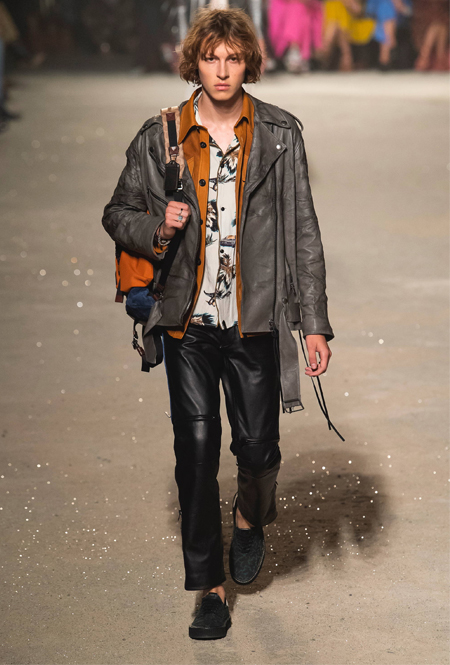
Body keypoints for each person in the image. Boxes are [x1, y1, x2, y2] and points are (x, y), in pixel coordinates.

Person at [102, 7, 334, 640]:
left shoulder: (281, 133)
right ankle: (208, 589)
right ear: (194, 64)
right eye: (211, 59)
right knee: (196, 454)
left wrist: (314, 322)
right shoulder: (162, 136)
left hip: (254, 320)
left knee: (258, 450)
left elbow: (304, 230)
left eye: (233, 58)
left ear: (248, 62)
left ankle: (251, 519)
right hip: (187, 321)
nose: (223, 70)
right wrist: (157, 228)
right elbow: (117, 211)